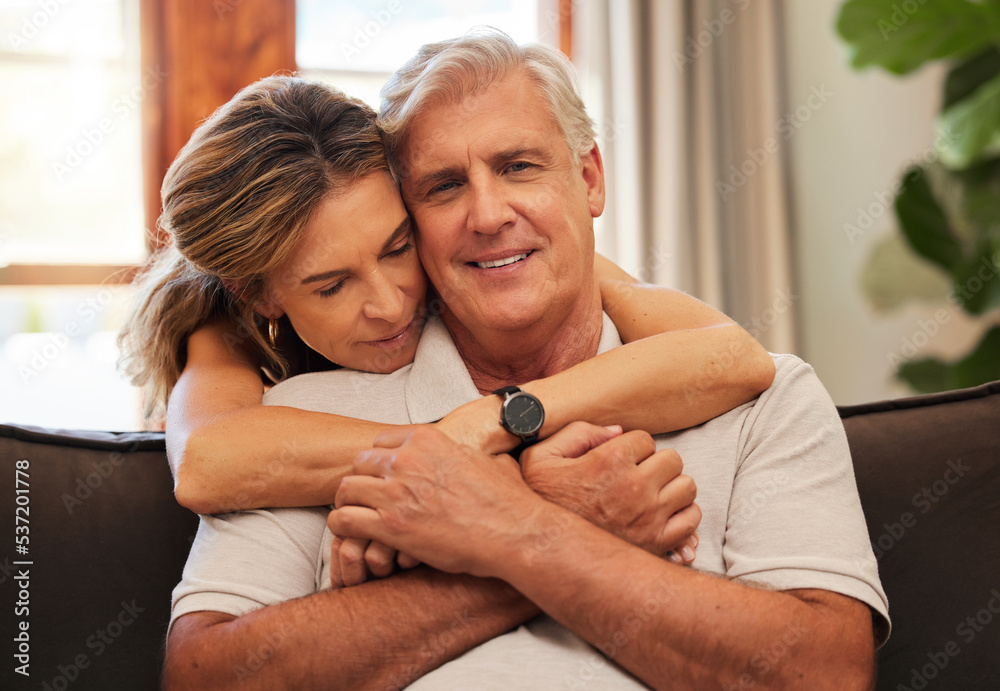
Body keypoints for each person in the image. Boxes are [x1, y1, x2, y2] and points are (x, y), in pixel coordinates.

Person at [162, 32, 888, 690]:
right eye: (444, 186)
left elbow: (824, 673)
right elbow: (205, 676)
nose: (486, 214)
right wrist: (549, 524)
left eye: (518, 166)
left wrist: (505, 509)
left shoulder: (763, 397)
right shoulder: (301, 415)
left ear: (590, 180)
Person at [117, 72, 774, 545]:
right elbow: (206, 462)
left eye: (397, 246)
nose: (388, 301)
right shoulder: (223, 326)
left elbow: (734, 358)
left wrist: (488, 423)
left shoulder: (492, 267)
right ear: (259, 293)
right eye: (330, 285)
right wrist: (482, 466)